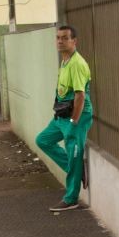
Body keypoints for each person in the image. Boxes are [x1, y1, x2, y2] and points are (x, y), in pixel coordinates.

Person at [36, 24, 93, 212]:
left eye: (65, 38)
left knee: (74, 153)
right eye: (58, 38)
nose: (60, 41)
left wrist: (74, 121)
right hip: (62, 115)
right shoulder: (65, 60)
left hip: (76, 116)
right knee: (43, 140)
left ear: (74, 41)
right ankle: (75, 170)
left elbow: (80, 95)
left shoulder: (77, 64)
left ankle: (71, 198)